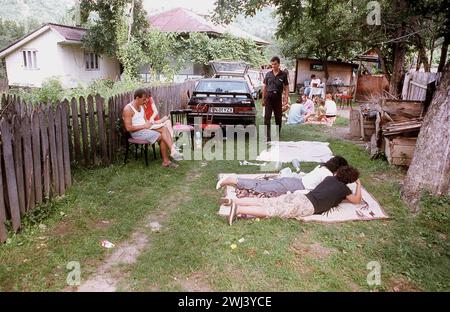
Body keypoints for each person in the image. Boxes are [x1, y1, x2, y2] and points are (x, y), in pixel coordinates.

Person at [222, 166, 362, 226]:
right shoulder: (344, 190)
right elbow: (356, 201)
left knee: (267, 202)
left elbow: (331, 183)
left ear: (338, 173)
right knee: (271, 211)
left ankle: (232, 200)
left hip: (301, 197)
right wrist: (359, 185)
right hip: (308, 206)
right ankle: (238, 209)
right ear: (350, 181)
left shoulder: (329, 179)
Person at [216, 156, 349, 195]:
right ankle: (232, 179)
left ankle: (234, 179)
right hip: (294, 184)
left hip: (293, 180)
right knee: (260, 187)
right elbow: (322, 191)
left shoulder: (322, 166)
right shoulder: (328, 176)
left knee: (263, 184)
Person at [122, 88, 182, 168]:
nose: (146, 101)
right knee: (163, 135)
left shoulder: (141, 106)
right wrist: (144, 126)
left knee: (164, 128)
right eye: (143, 99)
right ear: (137, 98)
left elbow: (145, 120)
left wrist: (151, 124)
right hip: (137, 133)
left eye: (146, 99)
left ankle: (171, 154)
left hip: (145, 129)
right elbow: (128, 128)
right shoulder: (128, 109)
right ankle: (168, 158)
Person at [262, 56, 289, 141]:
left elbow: (287, 87)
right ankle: (267, 136)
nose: (273, 66)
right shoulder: (268, 74)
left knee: (278, 118)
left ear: (278, 64)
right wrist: (263, 99)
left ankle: (277, 134)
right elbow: (264, 87)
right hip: (268, 98)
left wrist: (286, 98)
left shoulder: (283, 75)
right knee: (267, 117)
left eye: (275, 64)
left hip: (278, 98)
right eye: (272, 64)